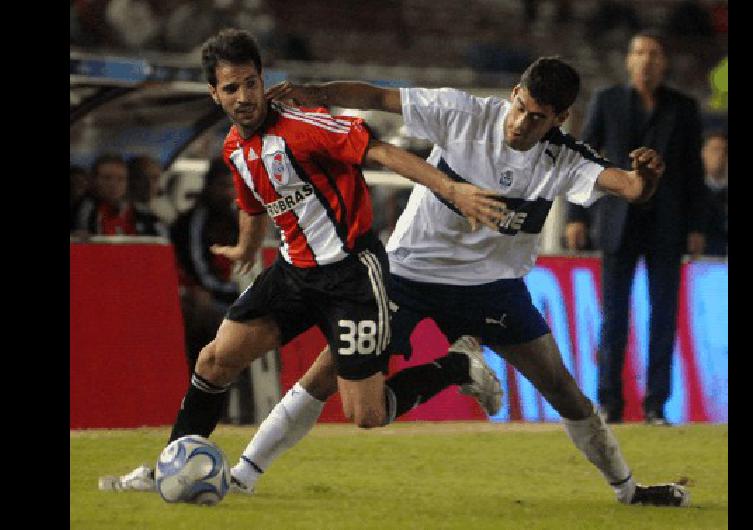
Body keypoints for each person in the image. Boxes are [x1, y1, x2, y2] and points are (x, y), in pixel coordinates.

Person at [224, 56, 689, 506]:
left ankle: (629, 490)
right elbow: (377, 97)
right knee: (325, 375)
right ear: (513, 93)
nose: (521, 123)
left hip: (493, 289)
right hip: (408, 273)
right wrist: (317, 94)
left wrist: (644, 179)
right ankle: (242, 475)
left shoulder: (562, 158)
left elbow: (628, 188)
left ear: (560, 118)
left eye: (537, 117)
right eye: (520, 107)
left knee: (561, 387)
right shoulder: (463, 113)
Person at [98, 28, 506, 492]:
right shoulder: (234, 148)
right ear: (215, 94)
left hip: (353, 275)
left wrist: (452, 190)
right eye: (231, 88)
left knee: (367, 414)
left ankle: (456, 366)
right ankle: (172, 466)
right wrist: (247, 248)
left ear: (262, 79)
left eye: (251, 82)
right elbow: (252, 204)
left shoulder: (305, 125)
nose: (245, 96)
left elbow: (380, 150)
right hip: (293, 274)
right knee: (214, 361)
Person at [564, 30, 707, 425]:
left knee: (663, 316)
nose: (646, 60)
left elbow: (693, 173)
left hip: (669, 224)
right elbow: (581, 158)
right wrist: (577, 216)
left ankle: (656, 405)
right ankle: (609, 403)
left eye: (654, 53)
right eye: (639, 52)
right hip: (616, 220)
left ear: (664, 62)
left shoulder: (684, 108)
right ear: (629, 60)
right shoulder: (607, 101)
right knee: (614, 316)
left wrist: (696, 225)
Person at [170, 156, 253, 423]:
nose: (227, 192)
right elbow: (199, 270)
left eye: (232, 187)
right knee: (221, 334)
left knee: (255, 336)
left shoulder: (238, 217)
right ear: (208, 185)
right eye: (222, 186)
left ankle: (245, 415)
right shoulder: (193, 221)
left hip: (231, 298)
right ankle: (209, 413)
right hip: (201, 300)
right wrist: (233, 293)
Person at [71, 153, 168, 237]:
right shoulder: (82, 210)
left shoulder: (142, 213)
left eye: (121, 179)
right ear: (93, 180)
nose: (113, 184)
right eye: (107, 178)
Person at [701, 131, 727, 256]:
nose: (721, 155)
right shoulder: (692, 197)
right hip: (701, 262)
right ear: (703, 153)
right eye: (715, 150)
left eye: (725, 151)